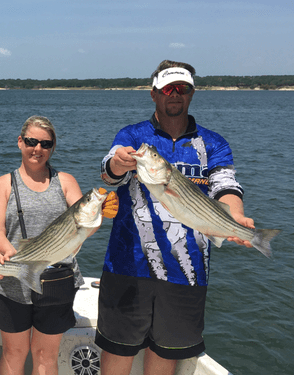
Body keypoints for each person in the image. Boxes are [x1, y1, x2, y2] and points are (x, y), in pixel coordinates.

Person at [96, 60, 256, 375]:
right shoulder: (133, 135)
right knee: (116, 358)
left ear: (192, 94)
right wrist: (118, 162)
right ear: (154, 93)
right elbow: (108, 172)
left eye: (182, 89)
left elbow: (226, 186)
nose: (175, 95)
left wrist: (235, 217)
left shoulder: (213, 143)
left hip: (188, 272)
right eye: (168, 88)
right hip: (128, 268)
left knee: (165, 361)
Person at [0, 115, 115, 375]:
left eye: (46, 144)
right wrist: (8, 252)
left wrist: (100, 213)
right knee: (14, 353)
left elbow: (85, 225)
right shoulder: (2, 184)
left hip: (57, 279)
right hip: (14, 278)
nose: (38, 149)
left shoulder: (65, 181)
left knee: (45, 355)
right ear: (20, 142)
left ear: (53, 147)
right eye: (32, 142)